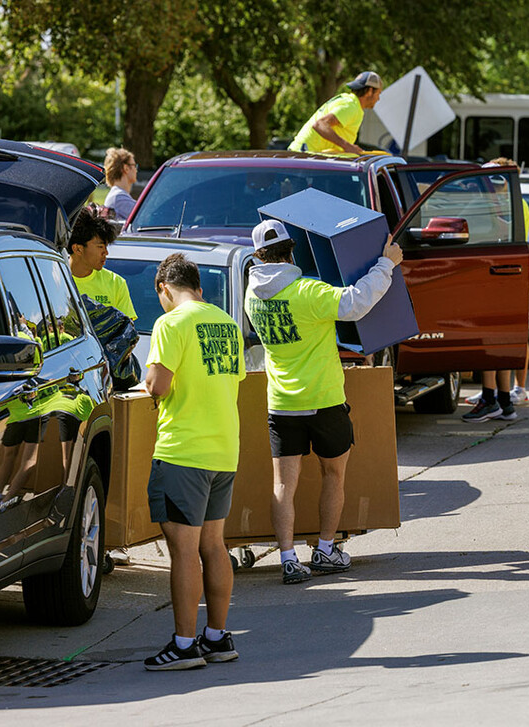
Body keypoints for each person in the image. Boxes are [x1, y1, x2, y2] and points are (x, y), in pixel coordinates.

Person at [245, 219, 402, 584]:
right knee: (334, 475)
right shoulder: (308, 292)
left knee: (283, 485)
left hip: (281, 403)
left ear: (258, 256)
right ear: (291, 250)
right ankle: (326, 550)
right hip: (325, 399)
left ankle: (287, 557)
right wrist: (386, 264)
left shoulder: (253, 296)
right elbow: (356, 303)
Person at [143, 253, 246, 671]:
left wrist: (149, 379)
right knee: (214, 546)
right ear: (199, 288)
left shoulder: (170, 324)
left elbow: (157, 386)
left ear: (164, 289)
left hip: (183, 451)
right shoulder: (225, 322)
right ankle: (217, 638)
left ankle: (184, 645)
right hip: (224, 450)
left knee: (183, 552)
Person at [464, 158, 528, 421]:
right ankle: (503, 401)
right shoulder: (517, 202)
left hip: (492, 276)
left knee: (488, 340)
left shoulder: (494, 205)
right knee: (499, 340)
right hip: (509, 276)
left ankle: (490, 398)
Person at [68, 206, 137, 320]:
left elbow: (126, 332)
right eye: (100, 246)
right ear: (78, 249)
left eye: (106, 246)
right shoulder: (55, 281)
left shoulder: (116, 283)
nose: (106, 252)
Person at [288, 72, 383, 154]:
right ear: (370, 91)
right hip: (303, 156)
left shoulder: (349, 102)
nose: (378, 99)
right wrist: (347, 146)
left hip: (302, 155)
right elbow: (320, 124)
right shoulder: (350, 106)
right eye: (378, 93)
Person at [103, 148, 139, 222]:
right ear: (126, 168)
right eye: (134, 165)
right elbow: (146, 217)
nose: (136, 170)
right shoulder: (118, 197)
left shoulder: (118, 195)